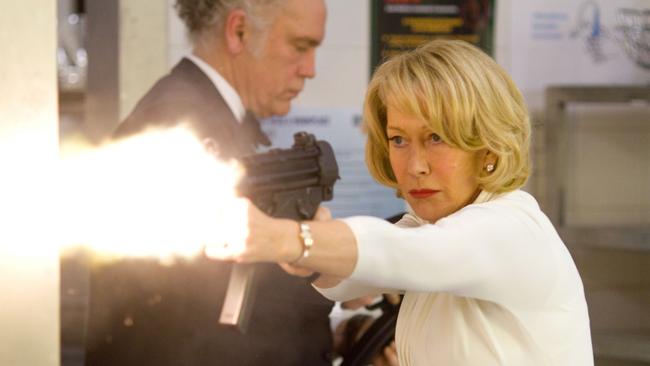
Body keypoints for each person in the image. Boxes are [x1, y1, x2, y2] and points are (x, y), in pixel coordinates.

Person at [206, 40, 594, 365]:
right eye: (398, 140)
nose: (415, 166)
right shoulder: (425, 227)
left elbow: (412, 253)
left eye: (437, 137)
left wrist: (292, 238)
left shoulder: (513, 230)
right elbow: (358, 274)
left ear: (488, 145)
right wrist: (302, 242)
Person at [85, 1, 333, 365]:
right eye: (300, 46)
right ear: (238, 32)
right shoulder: (182, 128)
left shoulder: (205, 118)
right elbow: (202, 313)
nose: (310, 70)